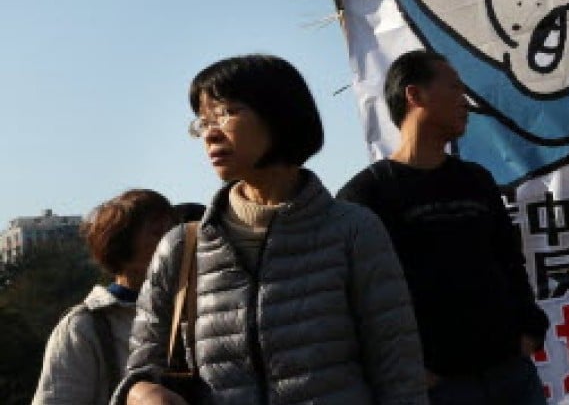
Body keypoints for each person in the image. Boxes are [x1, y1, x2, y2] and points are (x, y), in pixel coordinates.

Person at [114, 54, 425, 404]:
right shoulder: (181, 247)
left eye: (227, 112)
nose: (210, 134)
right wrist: (144, 392)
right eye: (202, 122)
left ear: (280, 115)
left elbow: (399, 373)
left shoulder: (352, 230)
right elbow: (140, 369)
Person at [339, 50, 549, 405]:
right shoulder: (365, 194)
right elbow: (355, 297)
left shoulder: (476, 180)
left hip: (510, 372)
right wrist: (411, 370)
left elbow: (510, 261)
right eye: (454, 88)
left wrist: (529, 329)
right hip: (438, 386)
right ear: (414, 95)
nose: (464, 101)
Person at [33, 189, 177, 405]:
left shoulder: (196, 308)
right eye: (158, 233)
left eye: (174, 232)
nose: (172, 243)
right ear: (121, 246)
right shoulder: (84, 326)